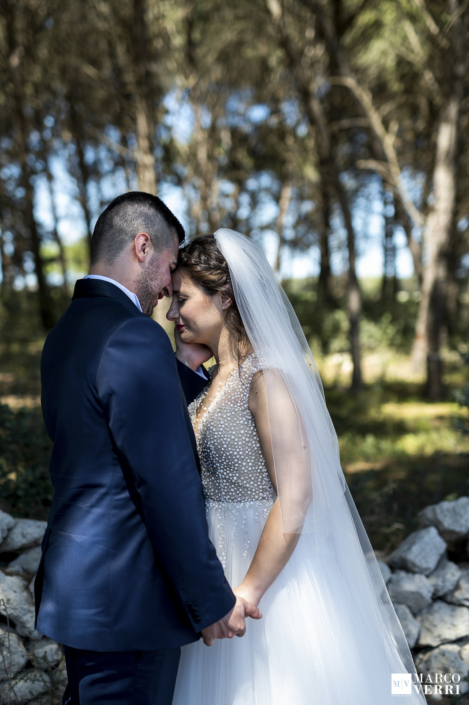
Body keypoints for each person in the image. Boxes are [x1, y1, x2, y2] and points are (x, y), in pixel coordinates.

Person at [167, 229, 428, 705]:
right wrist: (187, 364)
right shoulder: (207, 382)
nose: (170, 313)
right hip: (216, 568)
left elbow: (296, 495)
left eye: (181, 299)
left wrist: (248, 591)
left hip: (271, 578)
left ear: (223, 296)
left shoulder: (266, 378)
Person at [35, 193, 261, 705]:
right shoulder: (131, 335)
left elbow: (108, 443)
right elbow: (164, 483)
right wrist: (210, 602)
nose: (167, 289)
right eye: (169, 265)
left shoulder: (65, 335)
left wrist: (182, 365)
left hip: (82, 594)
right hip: (128, 607)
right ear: (143, 246)